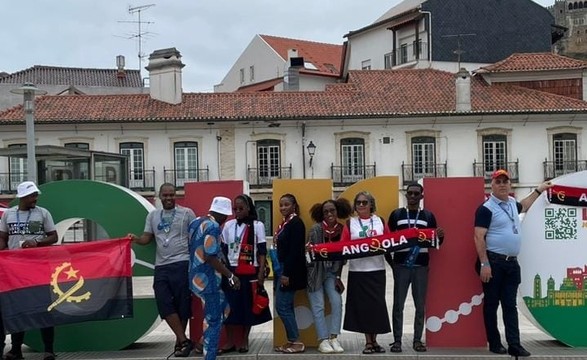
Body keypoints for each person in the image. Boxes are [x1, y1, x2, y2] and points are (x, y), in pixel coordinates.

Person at [474, 169, 553, 357]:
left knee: (510, 305)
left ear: (510, 184)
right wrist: (485, 264)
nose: (502, 184)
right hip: (493, 262)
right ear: (491, 185)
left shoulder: (511, 203)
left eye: (505, 181)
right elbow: (478, 237)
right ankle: (494, 342)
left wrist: (539, 190)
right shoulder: (486, 208)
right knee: (492, 304)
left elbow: (524, 206)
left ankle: (514, 344)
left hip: (511, 264)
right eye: (498, 181)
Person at [128, 183, 196, 357]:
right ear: (159, 196)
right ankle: (184, 340)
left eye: (171, 195)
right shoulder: (153, 216)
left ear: (176, 195)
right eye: (165, 195)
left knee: (182, 304)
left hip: (182, 263)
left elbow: (196, 238)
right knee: (164, 303)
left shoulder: (187, 214)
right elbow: (146, 238)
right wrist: (135, 239)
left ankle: (179, 343)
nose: (168, 198)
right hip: (161, 266)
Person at [0, 181, 58, 360]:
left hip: (38, 267)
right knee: (18, 308)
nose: (35, 198)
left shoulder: (43, 213)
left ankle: (48, 350)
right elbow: (3, 237)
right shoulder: (9, 214)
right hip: (15, 269)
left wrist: (37, 243)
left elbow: (53, 236)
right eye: (32, 195)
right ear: (22, 197)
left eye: (35, 195)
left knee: (44, 307)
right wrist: (3, 252)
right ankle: (16, 350)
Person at [386, 182, 444, 353]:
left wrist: (441, 236)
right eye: (409, 193)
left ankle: (417, 340)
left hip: (421, 267)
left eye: (415, 194)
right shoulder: (397, 215)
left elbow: (435, 243)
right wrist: (392, 264)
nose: (412, 196)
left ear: (421, 196)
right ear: (406, 194)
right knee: (398, 305)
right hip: (401, 266)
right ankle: (397, 341)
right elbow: (386, 242)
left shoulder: (428, 216)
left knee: (420, 305)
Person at [188, 196, 241, 360]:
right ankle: (209, 356)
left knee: (224, 309)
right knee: (215, 321)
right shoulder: (213, 227)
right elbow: (210, 257)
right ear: (224, 216)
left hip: (194, 276)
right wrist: (231, 275)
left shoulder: (196, 222)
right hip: (207, 280)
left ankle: (203, 342)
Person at [219, 194, 271, 354]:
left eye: (241, 208)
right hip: (231, 270)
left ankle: (244, 339)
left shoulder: (258, 225)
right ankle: (229, 341)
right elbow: (223, 250)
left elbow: (262, 251)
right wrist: (227, 272)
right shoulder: (228, 225)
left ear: (249, 208)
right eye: (235, 209)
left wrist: (261, 272)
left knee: (247, 305)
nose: (238, 211)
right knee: (229, 306)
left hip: (250, 270)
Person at [342, 191, 391, 354]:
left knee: (376, 306)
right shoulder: (350, 224)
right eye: (358, 203)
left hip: (377, 270)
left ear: (371, 204)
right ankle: (368, 342)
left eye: (364, 202)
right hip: (358, 271)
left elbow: (390, 243)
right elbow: (342, 247)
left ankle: (375, 340)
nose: (361, 205)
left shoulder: (380, 221)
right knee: (362, 307)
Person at [306, 198, 352, 354]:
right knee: (318, 306)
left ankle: (334, 337)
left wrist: (338, 277)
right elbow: (309, 255)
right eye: (325, 211)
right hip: (315, 273)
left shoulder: (342, 229)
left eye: (332, 210)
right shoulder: (316, 229)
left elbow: (343, 255)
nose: (329, 213)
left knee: (337, 302)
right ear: (321, 214)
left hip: (332, 273)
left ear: (338, 211)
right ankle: (323, 340)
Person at [273, 193, 307, 354]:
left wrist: (286, 274)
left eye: (286, 204)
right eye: (281, 205)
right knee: (287, 306)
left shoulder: (296, 223)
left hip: (290, 271)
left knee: (282, 306)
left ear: (294, 206)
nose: (283, 208)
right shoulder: (285, 224)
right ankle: (291, 340)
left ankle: (296, 341)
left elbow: (295, 251)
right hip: (282, 268)